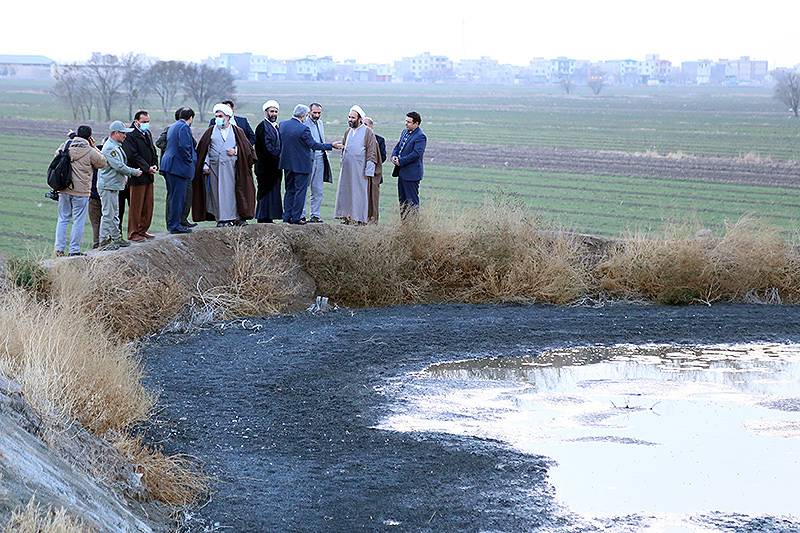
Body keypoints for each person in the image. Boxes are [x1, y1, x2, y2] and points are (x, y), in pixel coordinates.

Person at [193, 103, 256, 227]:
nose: (218, 118)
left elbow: (247, 149)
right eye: (216, 116)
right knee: (217, 193)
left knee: (232, 192)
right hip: (214, 168)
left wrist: (236, 151)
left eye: (220, 116)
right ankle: (221, 218)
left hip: (232, 168)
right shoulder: (210, 131)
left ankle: (235, 217)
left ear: (227, 117)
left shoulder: (237, 131)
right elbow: (204, 149)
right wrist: (205, 164)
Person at [278, 104, 342, 225]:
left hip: (287, 164)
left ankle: (287, 217)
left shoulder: (283, 125)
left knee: (289, 191)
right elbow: (314, 145)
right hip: (302, 165)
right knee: (300, 191)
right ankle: (297, 218)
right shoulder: (303, 129)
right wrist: (331, 146)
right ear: (304, 115)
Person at [53, 126, 106, 256]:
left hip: (64, 188)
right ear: (89, 136)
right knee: (78, 220)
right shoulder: (90, 150)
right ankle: (74, 250)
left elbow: (56, 157)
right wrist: (93, 146)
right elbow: (102, 162)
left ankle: (59, 249)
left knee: (63, 218)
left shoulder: (66, 145)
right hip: (81, 191)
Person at [98, 121, 143, 250]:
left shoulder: (115, 145)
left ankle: (116, 238)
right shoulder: (110, 148)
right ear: (115, 133)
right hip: (107, 185)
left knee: (114, 213)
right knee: (108, 214)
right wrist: (134, 172)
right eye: (123, 133)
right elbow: (118, 166)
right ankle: (104, 241)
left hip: (113, 185)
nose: (125, 136)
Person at [334, 105, 379, 225]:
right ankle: (346, 217)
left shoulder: (368, 132)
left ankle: (360, 218)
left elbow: (371, 152)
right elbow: (344, 148)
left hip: (360, 169)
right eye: (349, 117)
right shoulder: (347, 131)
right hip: (347, 168)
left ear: (359, 119)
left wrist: (369, 170)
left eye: (353, 117)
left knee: (359, 193)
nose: (350, 119)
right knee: (346, 191)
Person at [156, 107, 197, 229]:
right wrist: (189, 160)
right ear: (191, 118)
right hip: (177, 168)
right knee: (177, 198)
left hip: (170, 166)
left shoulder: (174, 126)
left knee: (174, 196)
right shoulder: (184, 127)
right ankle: (175, 225)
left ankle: (173, 223)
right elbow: (184, 147)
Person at [122, 110, 158, 242]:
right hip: (137, 175)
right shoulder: (130, 135)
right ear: (137, 121)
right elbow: (133, 155)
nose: (146, 124)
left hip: (149, 175)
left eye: (148, 121)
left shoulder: (147, 133)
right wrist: (146, 167)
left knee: (148, 205)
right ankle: (133, 232)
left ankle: (143, 230)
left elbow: (152, 150)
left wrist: (154, 165)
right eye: (144, 122)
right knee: (136, 206)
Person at [391, 111, 427, 218]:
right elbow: (398, 146)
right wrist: (394, 156)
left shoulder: (421, 137)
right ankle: (405, 226)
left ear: (416, 123)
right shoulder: (404, 132)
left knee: (412, 202)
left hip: (411, 174)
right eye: (406, 121)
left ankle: (413, 228)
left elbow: (416, 154)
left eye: (409, 122)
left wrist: (401, 161)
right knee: (403, 201)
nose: (406, 124)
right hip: (401, 173)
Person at [302, 102, 333, 223]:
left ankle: (315, 215)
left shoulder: (320, 123)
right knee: (304, 188)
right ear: (309, 112)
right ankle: (302, 214)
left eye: (319, 113)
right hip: (308, 159)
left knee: (318, 189)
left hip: (320, 158)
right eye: (314, 112)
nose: (317, 115)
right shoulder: (304, 124)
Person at [254, 100, 283, 223]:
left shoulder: (276, 126)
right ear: (266, 112)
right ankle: (262, 216)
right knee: (265, 190)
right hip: (265, 167)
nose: (274, 114)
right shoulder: (262, 126)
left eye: (276, 111)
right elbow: (267, 147)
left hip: (275, 166)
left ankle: (269, 216)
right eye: (271, 111)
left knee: (274, 190)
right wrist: (279, 155)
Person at [363, 116, 386, 223]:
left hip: (374, 175)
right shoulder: (359, 138)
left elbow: (383, 157)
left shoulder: (380, 140)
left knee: (373, 200)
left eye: (366, 125)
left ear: (371, 126)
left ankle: (372, 221)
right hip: (360, 175)